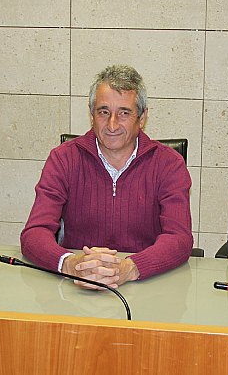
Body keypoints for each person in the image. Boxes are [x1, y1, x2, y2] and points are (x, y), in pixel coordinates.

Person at [20, 65, 193, 289]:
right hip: (76, 284)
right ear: (91, 115)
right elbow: (34, 233)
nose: (112, 125)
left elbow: (179, 238)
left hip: (146, 283)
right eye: (103, 112)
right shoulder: (64, 159)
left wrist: (129, 268)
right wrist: (70, 264)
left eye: (124, 113)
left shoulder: (169, 164)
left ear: (141, 117)